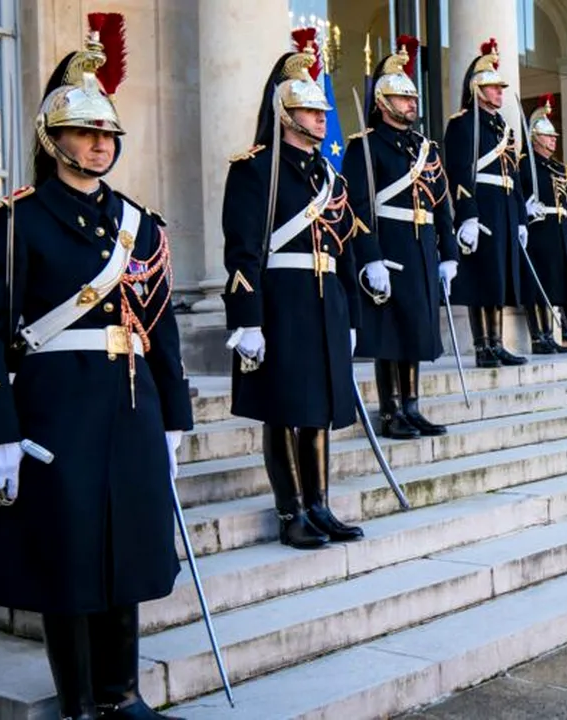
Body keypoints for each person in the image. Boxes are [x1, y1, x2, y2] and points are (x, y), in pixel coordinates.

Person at [0, 13, 192, 719]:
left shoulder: (140, 225)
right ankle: (81, 701)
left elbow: (161, 326)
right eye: (85, 134)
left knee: (127, 552)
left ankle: (124, 692)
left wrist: (174, 418)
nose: (98, 145)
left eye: (107, 135)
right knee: (69, 555)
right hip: (56, 407)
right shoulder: (12, 221)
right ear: (52, 139)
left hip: (131, 403)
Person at [221, 29, 365, 550]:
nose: (320, 117)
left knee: (319, 407)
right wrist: (246, 316)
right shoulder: (256, 169)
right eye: (309, 110)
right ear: (285, 113)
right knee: (285, 406)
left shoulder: (329, 175)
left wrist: (352, 318)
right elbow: (241, 248)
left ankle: (320, 504)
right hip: (281, 299)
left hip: (326, 299)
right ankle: (291, 511)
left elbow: (343, 244)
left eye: (322, 109)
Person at [343, 35, 458, 439]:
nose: (412, 104)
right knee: (390, 331)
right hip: (389, 246)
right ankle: (390, 410)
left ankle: (412, 406)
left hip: (423, 245)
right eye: (404, 98)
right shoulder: (365, 147)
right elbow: (356, 206)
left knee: (416, 329)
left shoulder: (426, 148)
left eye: (413, 98)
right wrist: (370, 256)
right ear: (384, 103)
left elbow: (441, 202)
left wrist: (449, 252)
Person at [444, 38, 532, 368]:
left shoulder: (502, 129)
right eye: (493, 88)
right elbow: (458, 172)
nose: (499, 93)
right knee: (481, 277)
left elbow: (514, 175)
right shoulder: (462, 124)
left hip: (505, 207)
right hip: (481, 208)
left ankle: (497, 342)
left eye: (500, 88)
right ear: (478, 89)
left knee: (499, 278)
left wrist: (521, 218)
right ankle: (482, 345)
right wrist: (467, 214)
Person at [519, 94, 567, 354]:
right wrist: (524, 211)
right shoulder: (524, 165)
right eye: (548, 136)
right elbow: (516, 196)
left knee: (553, 285)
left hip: (557, 230)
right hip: (537, 230)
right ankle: (538, 335)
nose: (553, 140)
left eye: (554, 137)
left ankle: (550, 334)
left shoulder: (559, 169)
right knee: (537, 285)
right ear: (535, 138)